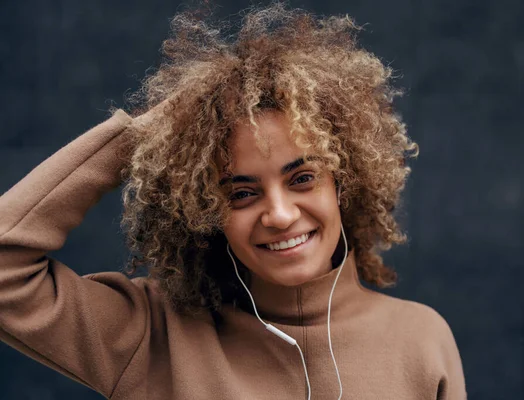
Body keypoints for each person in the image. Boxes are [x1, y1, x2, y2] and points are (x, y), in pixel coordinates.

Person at [0, 3, 466, 399]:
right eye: (241, 193)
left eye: (302, 178)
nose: (280, 215)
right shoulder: (149, 335)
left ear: (343, 183)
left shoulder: (421, 340)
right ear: (203, 209)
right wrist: (142, 137)